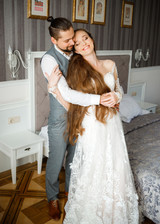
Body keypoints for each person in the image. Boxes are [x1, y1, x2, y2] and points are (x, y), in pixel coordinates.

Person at [49, 29, 139, 223]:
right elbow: (72, 101)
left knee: (116, 168)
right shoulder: (77, 69)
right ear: (76, 49)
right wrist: (54, 88)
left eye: (86, 38)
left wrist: (117, 96)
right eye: (78, 43)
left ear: (92, 40)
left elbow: (118, 89)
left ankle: (114, 213)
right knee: (94, 170)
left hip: (113, 125)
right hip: (92, 126)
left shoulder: (110, 64)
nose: (84, 44)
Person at [41, 17, 115, 221]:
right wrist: (99, 99)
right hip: (60, 119)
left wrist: (113, 94)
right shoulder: (49, 60)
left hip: (81, 117)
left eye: (72, 37)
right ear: (54, 41)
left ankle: (71, 194)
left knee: (75, 160)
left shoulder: (76, 53)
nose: (72, 43)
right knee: (56, 162)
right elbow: (68, 95)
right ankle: (52, 198)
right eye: (67, 40)